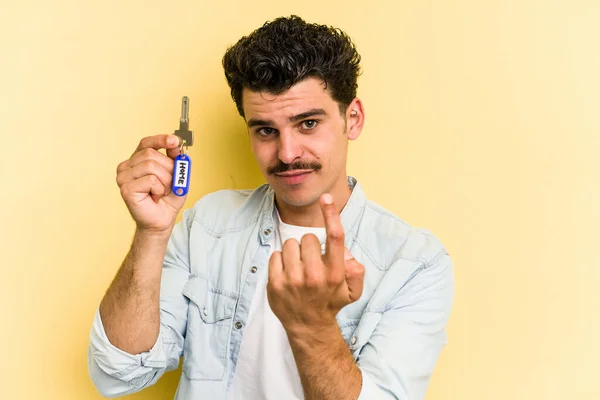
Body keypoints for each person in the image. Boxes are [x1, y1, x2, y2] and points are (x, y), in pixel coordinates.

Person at [88, 15, 454, 400]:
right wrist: (152, 233)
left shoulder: (413, 264)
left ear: (353, 119)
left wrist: (311, 325)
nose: (287, 153)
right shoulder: (206, 226)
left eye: (308, 123)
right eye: (266, 130)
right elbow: (118, 375)